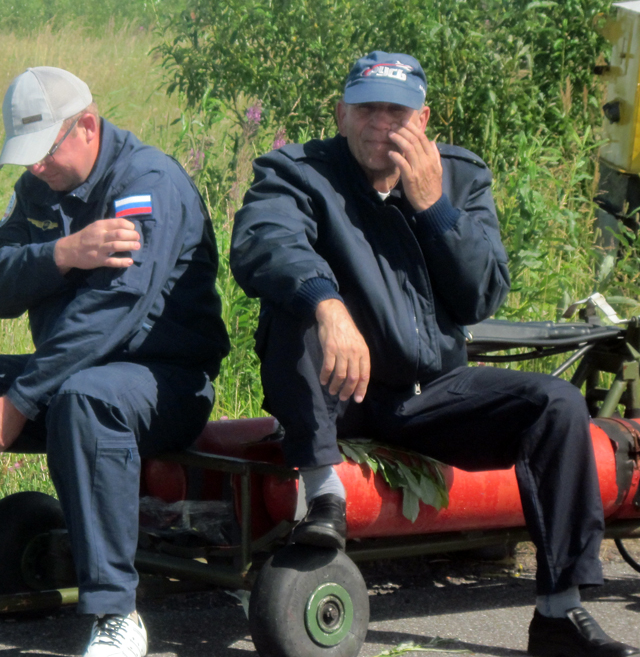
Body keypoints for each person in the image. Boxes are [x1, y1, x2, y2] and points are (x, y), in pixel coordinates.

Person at [230, 51, 637, 657]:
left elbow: (480, 296)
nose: (381, 124)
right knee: (298, 306)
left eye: (396, 113)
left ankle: (559, 610)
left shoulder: (461, 176)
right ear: (341, 115)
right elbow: (263, 243)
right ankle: (323, 497)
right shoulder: (297, 172)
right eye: (367, 109)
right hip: (339, 395)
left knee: (556, 404)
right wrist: (327, 304)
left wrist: (434, 208)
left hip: (431, 394)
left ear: (423, 120)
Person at [0, 66, 230, 656]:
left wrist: (20, 401)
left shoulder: (146, 182)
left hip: (162, 383)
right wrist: (62, 253)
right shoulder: (38, 190)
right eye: (26, 155)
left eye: (45, 151)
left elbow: (113, 311)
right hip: (65, 374)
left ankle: (117, 615)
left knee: (87, 396)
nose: (35, 167)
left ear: (87, 126)